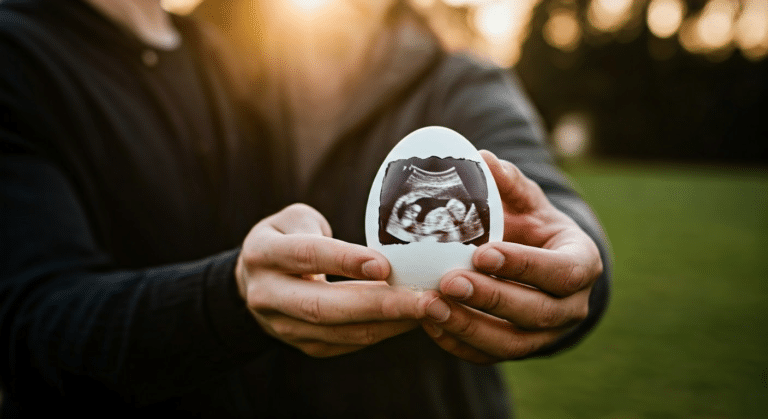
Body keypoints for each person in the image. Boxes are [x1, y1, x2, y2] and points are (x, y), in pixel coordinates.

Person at [0, 0, 610, 417]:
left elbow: (539, 191)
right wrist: (232, 293)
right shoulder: (221, 66)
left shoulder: (455, 82)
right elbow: (35, 313)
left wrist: (576, 249)